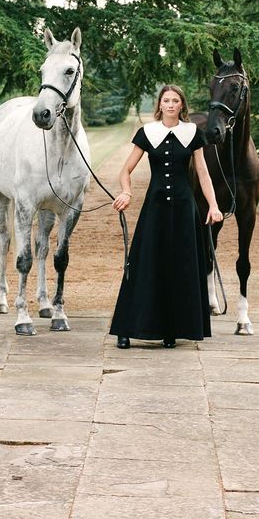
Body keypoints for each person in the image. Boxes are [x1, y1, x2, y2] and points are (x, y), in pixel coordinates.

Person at [109, 84, 223, 348]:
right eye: (166, 100)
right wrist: (126, 192)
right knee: (144, 266)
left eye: (175, 101)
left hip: (185, 210)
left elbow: (203, 173)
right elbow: (126, 170)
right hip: (154, 209)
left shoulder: (193, 133)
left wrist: (214, 206)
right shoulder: (147, 133)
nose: (170, 105)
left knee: (181, 267)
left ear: (181, 105)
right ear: (159, 105)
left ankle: (172, 329)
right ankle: (126, 328)